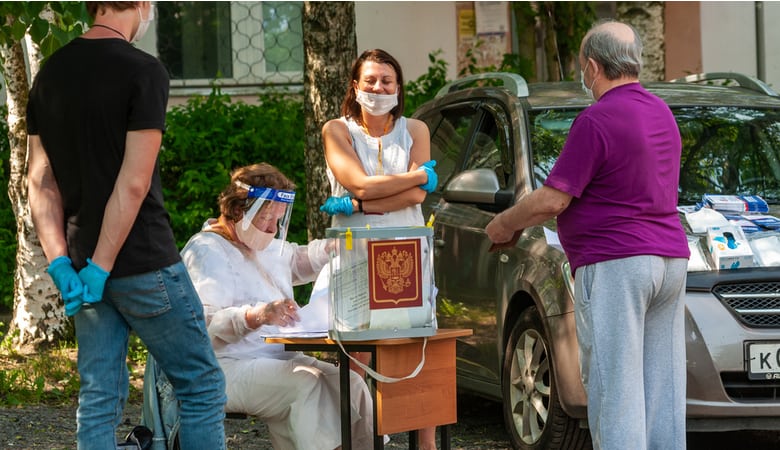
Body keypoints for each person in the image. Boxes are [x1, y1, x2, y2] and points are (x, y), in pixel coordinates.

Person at [26, 2, 227, 449]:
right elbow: (133, 183)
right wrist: (102, 264)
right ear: (139, 4)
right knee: (201, 385)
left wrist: (62, 263)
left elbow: (39, 180)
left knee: (98, 397)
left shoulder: (50, 73)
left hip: (80, 271)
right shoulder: (144, 70)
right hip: (143, 263)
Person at [485, 20, 690, 450]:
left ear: (593, 67)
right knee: (662, 390)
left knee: (615, 387)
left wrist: (505, 223)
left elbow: (553, 199)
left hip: (617, 262)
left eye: (583, 67)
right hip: (670, 260)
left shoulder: (597, 119)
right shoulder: (662, 113)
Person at [180, 163, 374, 450]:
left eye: (278, 221)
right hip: (224, 367)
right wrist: (256, 316)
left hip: (277, 359)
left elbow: (295, 260)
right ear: (238, 211)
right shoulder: (207, 251)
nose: (273, 228)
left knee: (351, 384)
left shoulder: (260, 242)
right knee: (305, 384)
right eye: (267, 220)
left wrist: (336, 247)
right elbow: (202, 328)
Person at [319, 48, 439, 450]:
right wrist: (403, 182)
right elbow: (358, 183)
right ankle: (358, 441)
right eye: (370, 80)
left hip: (406, 251)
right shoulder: (336, 130)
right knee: (357, 356)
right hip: (354, 255)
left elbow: (419, 195)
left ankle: (424, 444)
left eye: (386, 81)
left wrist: (363, 203)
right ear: (355, 86)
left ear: (399, 87)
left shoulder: (416, 129)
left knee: (415, 346)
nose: (378, 88)